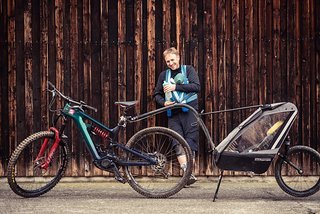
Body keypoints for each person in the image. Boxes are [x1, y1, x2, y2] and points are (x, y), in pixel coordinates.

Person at [153, 47, 200, 186]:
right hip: (173, 113)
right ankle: (187, 174)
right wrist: (164, 102)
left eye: (172, 60)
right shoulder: (163, 75)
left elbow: (196, 87)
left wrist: (175, 88)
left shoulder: (189, 70)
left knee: (190, 141)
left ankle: (189, 172)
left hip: (189, 110)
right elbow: (156, 94)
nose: (170, 63)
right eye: (168, 61)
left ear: (178, 58)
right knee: (176, 141)